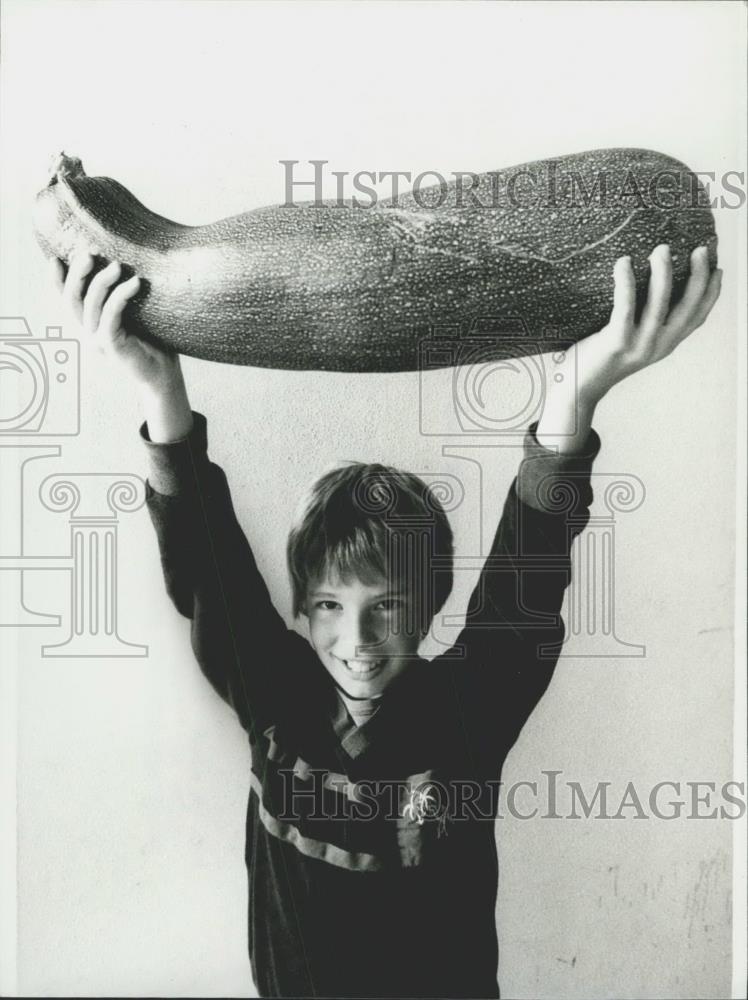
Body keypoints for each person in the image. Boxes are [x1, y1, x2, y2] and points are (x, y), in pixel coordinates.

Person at [50, 245, 721, 998]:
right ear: (300, 609)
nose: (358, 642)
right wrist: (158, 386)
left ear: (431, 608)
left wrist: (574, 396)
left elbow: (525, 584)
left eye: (389, 608)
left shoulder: (471, 709)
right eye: (332, 607)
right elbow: (206, 566)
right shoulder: (271, 690)